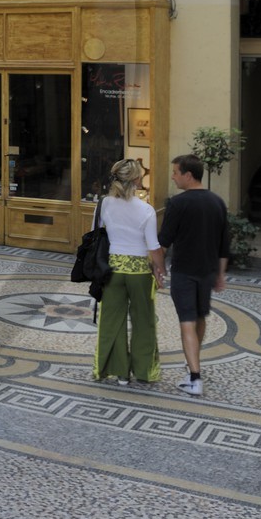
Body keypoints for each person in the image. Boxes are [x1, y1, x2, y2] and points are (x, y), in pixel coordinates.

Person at [159, 154, 231, 397]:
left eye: (175, 172)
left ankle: (195, 378)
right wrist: (220, 275)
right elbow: (224, 245)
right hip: (207, 272)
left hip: (184, 273)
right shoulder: (218, 202)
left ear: (188, 175)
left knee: (186, 321)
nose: (173, 176)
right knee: (200, 317)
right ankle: (193, 364)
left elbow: (164, 242)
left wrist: (157, 268)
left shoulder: (177, 204)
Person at [93, 158, 164, 387]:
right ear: (136, 179)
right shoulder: (146, 210)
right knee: (144, 321)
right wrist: (160, 270)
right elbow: (153, 246)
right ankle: (143, 372)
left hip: (112, 269)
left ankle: (118, 372)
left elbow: (94, 233)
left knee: (112, 321)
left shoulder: (103, 204)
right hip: (140, 271)